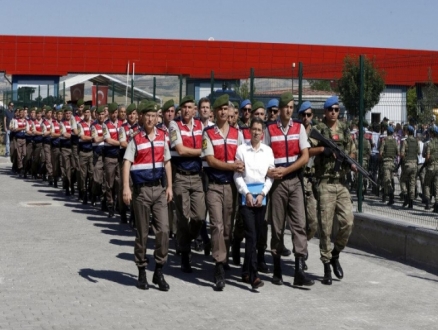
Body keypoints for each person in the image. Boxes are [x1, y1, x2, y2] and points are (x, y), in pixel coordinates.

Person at [264, 92, 314, 287]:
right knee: (277, 227)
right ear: (280, 108)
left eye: (292, 107)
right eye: (286, 107)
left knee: (299, 224)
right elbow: (265, 155)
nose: (289, 110)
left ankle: (299, 270)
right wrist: (270, 171)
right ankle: (276, 266)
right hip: (277, 183)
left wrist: (288, 170)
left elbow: (304, 156)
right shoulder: (270, 130)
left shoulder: (299, 128)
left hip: (294, 181)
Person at [122, 101, 172, 291]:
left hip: (159, 190)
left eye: (154, 115)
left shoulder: (163, 137)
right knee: (142, 233)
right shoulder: (136, 140)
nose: (151, 119)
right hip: (141, 191)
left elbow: (167, 162)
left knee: (164, 230)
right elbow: (127, 163)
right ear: (142, 117)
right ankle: (142, 270)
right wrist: (126, 187)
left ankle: (158, 270)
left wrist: (169, 187)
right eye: (147, 115)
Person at [309, 95, 356, 285]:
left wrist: (348, 160)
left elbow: (352, 151)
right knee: (325, 227)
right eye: (331, 110)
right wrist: (323, 150)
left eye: (337, 109)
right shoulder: (318, 130)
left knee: (348, 222)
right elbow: (306, 151)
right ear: (325, 111)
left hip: (341, 183)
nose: (334, 113)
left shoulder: (344, 129)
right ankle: (327, 266)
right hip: (325, 183)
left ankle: (335, 253)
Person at [202, 94, 244, 291]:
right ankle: (218, 266)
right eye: (219, 109)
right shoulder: (208, 133)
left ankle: (223, 256)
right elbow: (210, 160)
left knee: (227, 226)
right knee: (217, 225)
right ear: (214, 113)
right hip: (214, 185)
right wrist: (231, 167)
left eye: (226, 109)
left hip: (232, 187)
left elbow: (243, 158)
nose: (223, 112)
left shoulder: (238, 134)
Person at [234, 117, 274, 289]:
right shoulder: (242, 150)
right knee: (250, 234)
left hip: (261, 198)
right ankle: (254, 275)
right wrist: (247, 193)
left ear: (263, 133)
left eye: (259, 130)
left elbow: (270, 176)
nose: (256, 132)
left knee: (257, 235)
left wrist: (263, 193)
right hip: (246, 198)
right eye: (254, 129)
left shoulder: (268, 151)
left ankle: (244, 270)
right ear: (249, 131)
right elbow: (237, 175)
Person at [169, 95, 205, 273]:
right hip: (181, 176)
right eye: (184, 107)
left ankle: (186, 239)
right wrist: (201, 152)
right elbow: (181, 150)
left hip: (197, 177)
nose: (187, 110)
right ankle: (185, 253)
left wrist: (201, 153)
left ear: (195, 110)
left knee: (199, 216)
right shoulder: (174, 125)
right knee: (183, 217)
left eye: (190, 107)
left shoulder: (201, 126)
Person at [298, 101, 318, 241]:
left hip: (312, 180)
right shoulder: (295, 131)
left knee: (313, 222)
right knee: (299, 220)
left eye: (308, 114)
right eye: (303, 114)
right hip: (298, 178)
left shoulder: (317, 133)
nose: (306, 117)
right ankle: (300, 252)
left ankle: (303, 243)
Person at [118, 103, 140, 223]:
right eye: (129, 114)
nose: (131, 116)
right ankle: (122, 212)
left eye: (133, 114)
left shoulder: (140, 128)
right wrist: (135, 147)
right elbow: (122, 143)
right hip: (125, 159)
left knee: (134, 187)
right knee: (124, 186)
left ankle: (133, 214)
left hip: (136, 161)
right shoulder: (123, 128)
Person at [102, 103, 122, 217]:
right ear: (109, 113)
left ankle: (118, 204)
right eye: (112, 113)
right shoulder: (105, 125)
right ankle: (110, 204)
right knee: (109, 183)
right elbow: (108, 140)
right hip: (109, 157)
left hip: (119, 157)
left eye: (116, 113)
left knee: (119, 183)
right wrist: (121, 143)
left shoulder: (121, 124)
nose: (114, 115)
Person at [77, 105, 94, 205]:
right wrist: (93, 137)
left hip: (91, 152)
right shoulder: (80, 124)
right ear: (83, 113)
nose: (87, 114)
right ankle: (83, 193)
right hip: (83, 152)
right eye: (85, 112)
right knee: (83, 175)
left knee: (92, 174)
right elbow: (82, 137)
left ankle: (91, 192)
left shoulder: (93, 123)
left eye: (88, 112)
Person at [400, 125, 419, 208]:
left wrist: (403, 161)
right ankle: (411, 202)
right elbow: (418, 152)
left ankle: (405, 195)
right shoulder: (416, 141)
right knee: (412, 183)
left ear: (407, 132)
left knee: (402, 180)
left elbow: (402, 154)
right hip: (415, 164)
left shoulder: (405, 141)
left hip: (407, 164)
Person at [90, 106, 106, 207]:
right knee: (97, 179)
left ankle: (104, 201)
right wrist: (107, 137)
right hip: (98, 155)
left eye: (102, 114)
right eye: (99, 114)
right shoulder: (94, 126)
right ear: (96, 115)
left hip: (107, 153)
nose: (100, 116)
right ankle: (94, 193)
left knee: (106, 180)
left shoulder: (107, 125)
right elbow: (95, 139)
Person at [379, 125, 398, 205]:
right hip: (392, 163)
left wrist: (382, 159)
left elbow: (380, 153)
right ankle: (388, 196)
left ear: (387, 132)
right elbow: (398, 152)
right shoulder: (395, 141)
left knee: (386, 180)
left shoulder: (384, 141)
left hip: (386, 163)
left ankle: (390, 196)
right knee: (390, 179)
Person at [423, 127, 438, 211]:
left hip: (431, 167)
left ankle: (428, 203)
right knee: (437, 186)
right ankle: (437, 204)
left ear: (432, 133)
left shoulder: (430, 143)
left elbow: (427, 157)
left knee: (427, 184)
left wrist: (427, 160)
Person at [41, 106, 53, 185]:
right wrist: (51, 131)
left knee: (53, 160)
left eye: (50, 113)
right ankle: (50, 175)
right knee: (48, 160)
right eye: (48, 113)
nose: (49, 114)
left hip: (54, 143)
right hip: (47, 143)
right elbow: (44, 134)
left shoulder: (55, 122)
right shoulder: (43, 123)